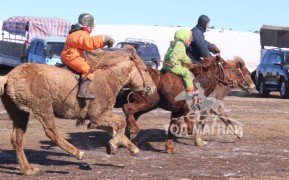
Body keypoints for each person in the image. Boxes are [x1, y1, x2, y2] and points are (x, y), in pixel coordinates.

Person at [61, 13, 115, 99]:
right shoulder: (80, 33)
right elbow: (88, 43)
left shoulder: (77, 33)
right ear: (88, 22)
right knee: (89, 70)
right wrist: (104, 39)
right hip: (72, 56)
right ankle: (82, 92)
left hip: (71, 55)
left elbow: (86, 46)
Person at [163, 29, 198, 96]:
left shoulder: (174, 44)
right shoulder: (180, 45)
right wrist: (173, 61)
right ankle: (190, 91)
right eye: (190, 39)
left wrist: (189, 61)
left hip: (165, 66)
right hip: (173, 66)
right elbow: (175, 54)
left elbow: (183, 56)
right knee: (187, 74)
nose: (190, 41)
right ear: (184, 38)